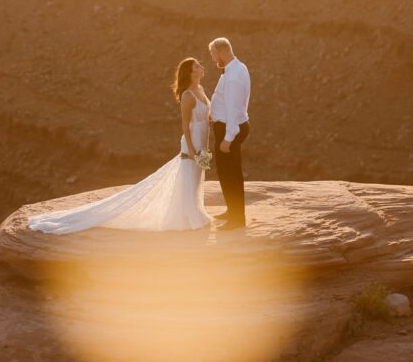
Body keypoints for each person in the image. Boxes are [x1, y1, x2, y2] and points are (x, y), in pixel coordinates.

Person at [27, 58, 212, 233]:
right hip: (192, 140)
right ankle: (190, 217)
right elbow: (185, 126)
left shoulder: (201, 89)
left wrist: (207, 144)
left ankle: (194, 212)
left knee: (196, 176)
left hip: (202, 139)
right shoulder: (188, 95)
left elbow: (207, 118)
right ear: (189, 72)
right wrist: (192, 149)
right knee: (189, 175)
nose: (201, 67)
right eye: (197, 66)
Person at [208, 37, 251, 230]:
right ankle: (232, 211)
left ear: (222, 52)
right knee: (230, 173)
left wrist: (228, 138)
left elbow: (233, 108)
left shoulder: (233, 75)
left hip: (229, 129)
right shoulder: (238, 67)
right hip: (232, 125)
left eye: (213, 54)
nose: (212, 58)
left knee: (229, 174)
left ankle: (237, 219)